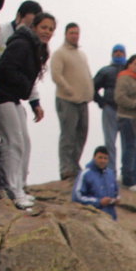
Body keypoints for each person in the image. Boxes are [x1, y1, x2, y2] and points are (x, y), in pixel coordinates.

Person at [0, 7, 51, 210]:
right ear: (33, 27)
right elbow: (4, 69)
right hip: (2, 96)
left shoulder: (34, 47)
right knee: (12, 142)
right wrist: (23, 85)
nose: (47, 32)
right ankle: (12, 189)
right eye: (43, 27)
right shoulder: (21, 44)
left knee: (23, 142)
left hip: (14, 97)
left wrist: (31, 98)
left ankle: (20, 187)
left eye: (51, 29)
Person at [48, 21, 89, 180]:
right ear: (66, 34)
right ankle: (66, 168)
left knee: (81, 134)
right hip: (67, 99)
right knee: (68, 135)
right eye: (72, 33)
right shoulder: (60, 53)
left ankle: (75, 164)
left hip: (83, 100)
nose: (75, 36)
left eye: (77, 33)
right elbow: (56, 75)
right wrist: (68, 89)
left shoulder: (81, 54)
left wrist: (89, 92)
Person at [111, 51, 136, 195]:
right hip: (128, 118)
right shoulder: (125, 78)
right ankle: (128, 179)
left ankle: (135, 176)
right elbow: (119, 97)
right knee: (130, 148)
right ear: (130, 64)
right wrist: (135, 105)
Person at [90, 40, 123, 160]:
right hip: (110, 109)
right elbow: (92, 87)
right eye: (116, 52)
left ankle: (126, 174)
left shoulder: (129, 72)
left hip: (126, 112)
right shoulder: (106, 71)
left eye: (121, 52)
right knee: (110, 142)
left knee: (127, 144)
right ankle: (110, 172)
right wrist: (101, 102)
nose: (118, 54)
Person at [71, 143, 116, 218]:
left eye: (105, 158)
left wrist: (115, 200)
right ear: (94, 157)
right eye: (100, 158)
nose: (103, 161)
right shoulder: (85, 174)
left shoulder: (110, 174)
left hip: (110, 218)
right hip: (92, 217)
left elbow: (115, 192)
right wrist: (99, 202)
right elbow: (77, 197)